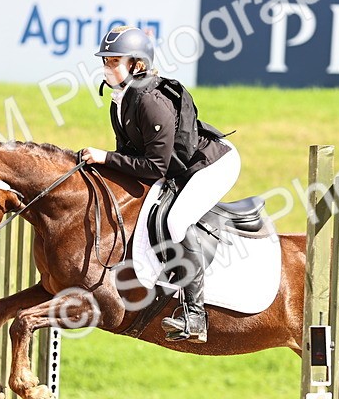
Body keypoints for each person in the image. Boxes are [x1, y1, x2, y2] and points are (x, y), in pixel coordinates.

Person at [79, 26, 240, 344]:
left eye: (114, 61)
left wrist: (104, 157)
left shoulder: (150, 100)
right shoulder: (120, 99)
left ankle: (195, 316)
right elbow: (130, 156)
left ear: (136, 64)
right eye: (106, 61)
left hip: (211, 166)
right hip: (176, 168)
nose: (106, 67)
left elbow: (154, 167)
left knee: (175, 221)